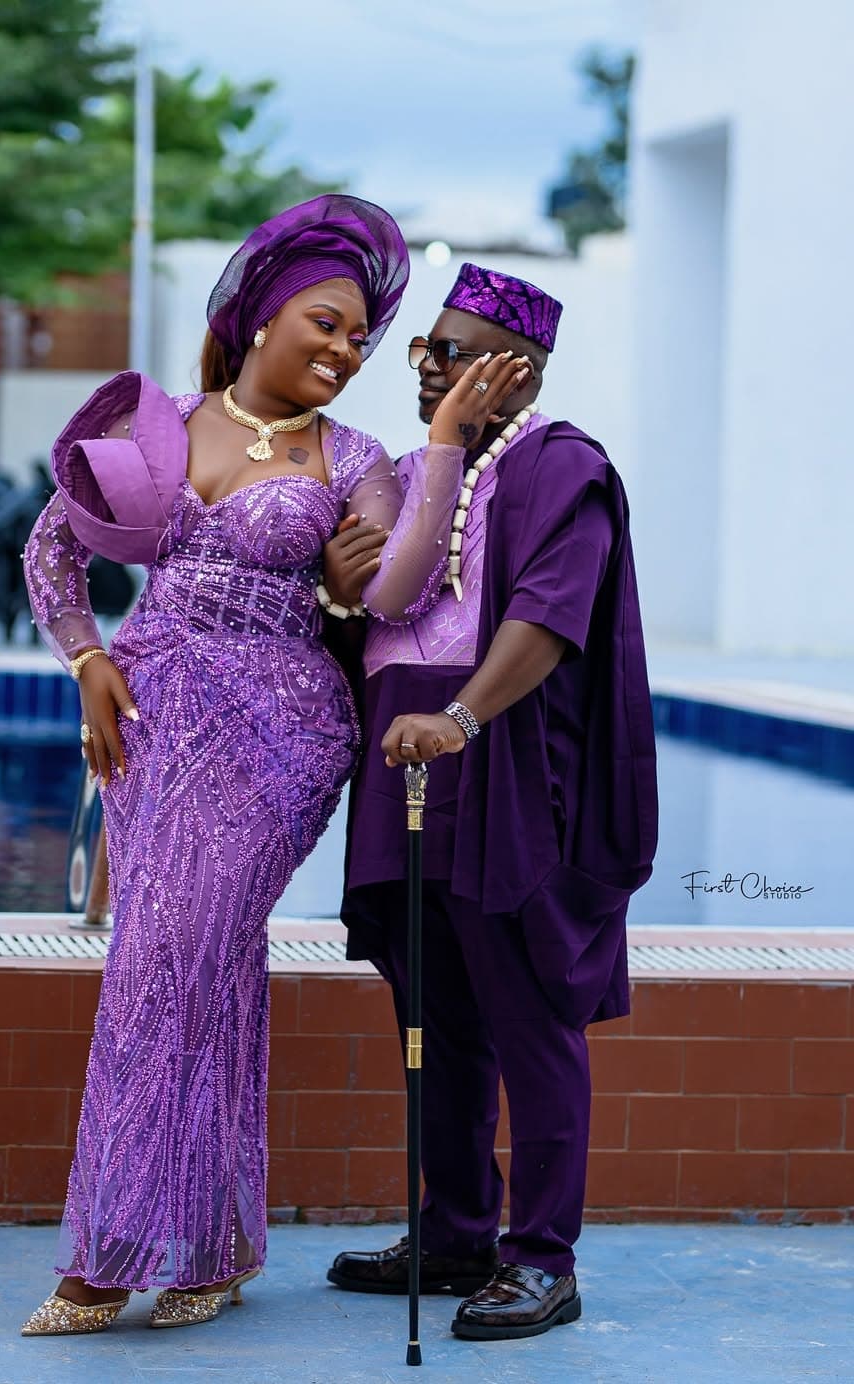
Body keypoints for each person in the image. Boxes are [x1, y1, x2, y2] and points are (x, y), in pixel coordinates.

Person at [19, 202, 530, 1337]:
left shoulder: (354, 458)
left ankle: (108, 1253)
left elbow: (392, 590)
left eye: (360, 338)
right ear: (259, 315)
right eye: (327, 324)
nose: (344, 352)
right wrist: (87, 656)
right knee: (189, 962)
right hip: (150, 721)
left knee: (171, 954)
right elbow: (51, 545)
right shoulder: (157, 422)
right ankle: (211, 1243)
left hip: (280, 729)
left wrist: (439, 441)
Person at [322, 263, 659, 1341]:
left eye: (451, 352)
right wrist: (337, 585)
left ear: (517, 369)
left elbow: (550, 618)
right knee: (434, 1017)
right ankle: (455, 1230)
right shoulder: (425, 476)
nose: (427, 368)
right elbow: (377, 624)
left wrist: (461, 720)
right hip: (405, 774)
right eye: (423, 350)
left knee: (529, 1019)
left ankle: (541, 1258)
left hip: (505, 776)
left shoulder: (563, 468)